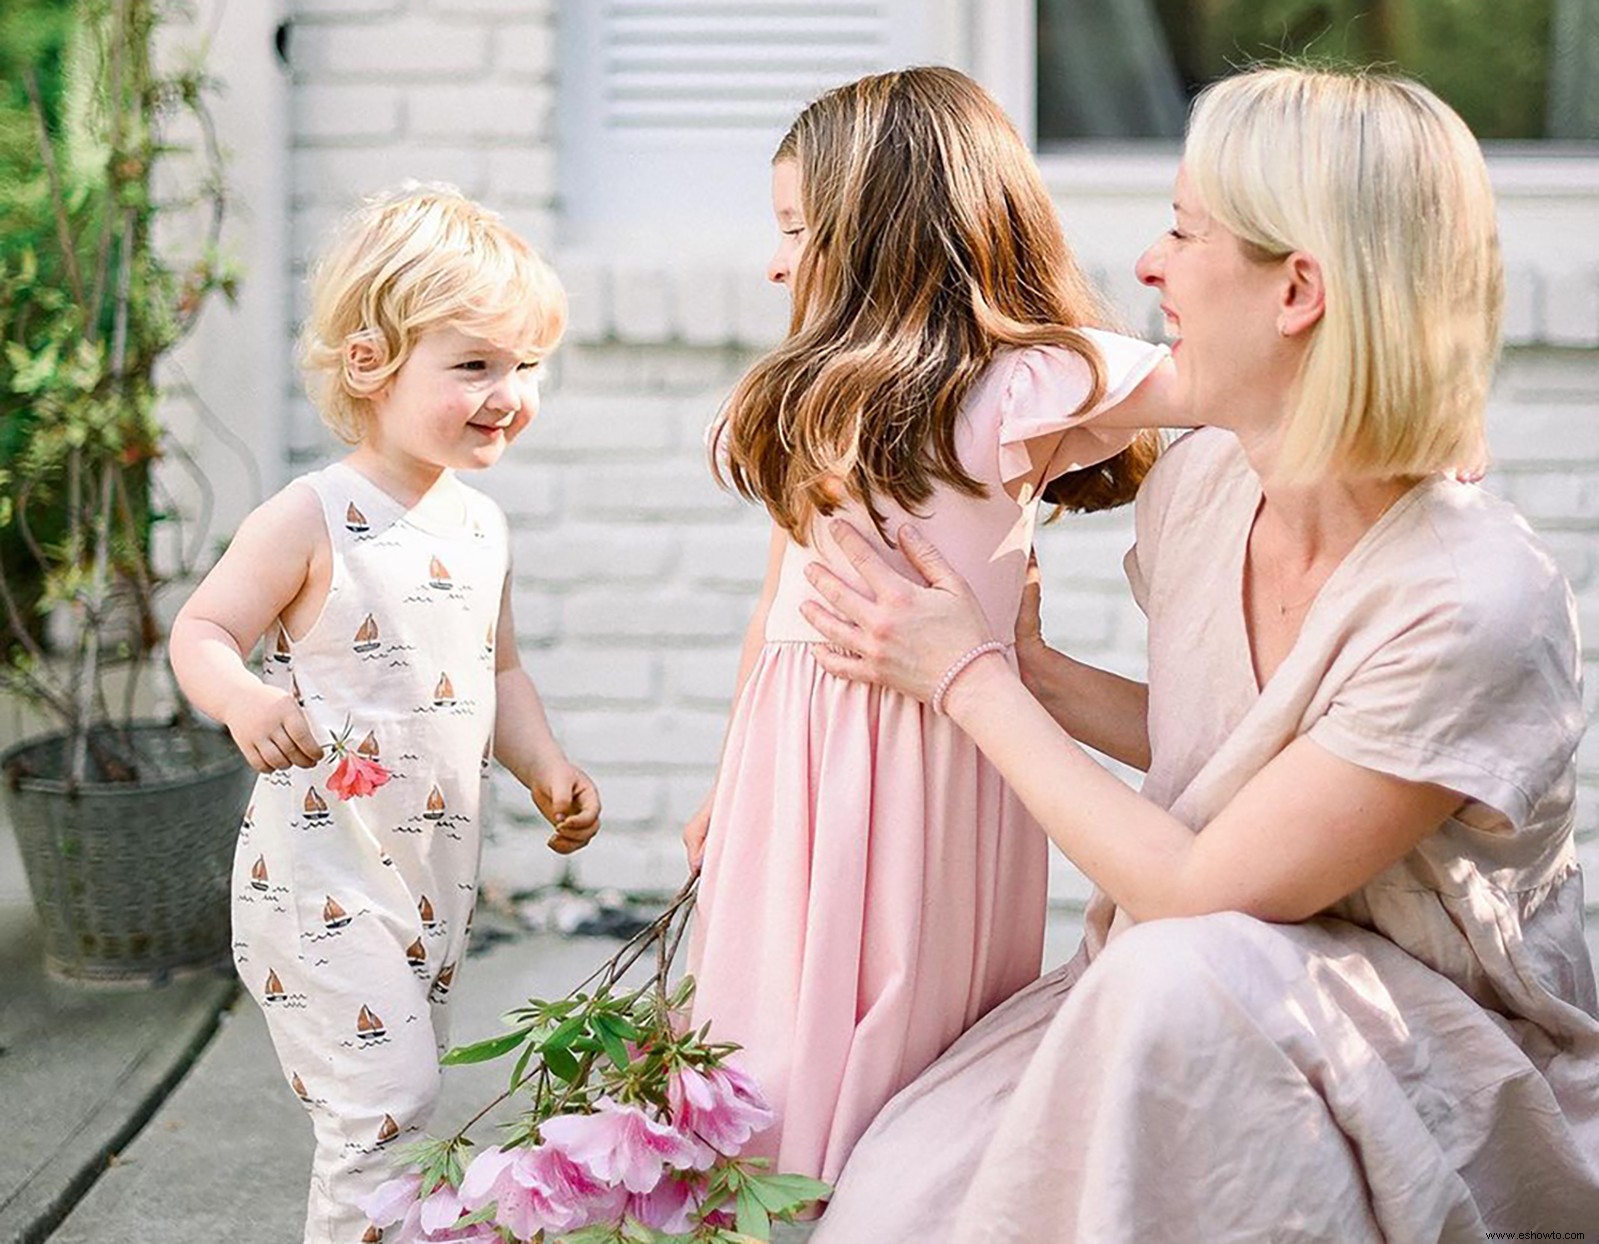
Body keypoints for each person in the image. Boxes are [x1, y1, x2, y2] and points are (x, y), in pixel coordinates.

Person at [799, 66, 1599, 1239]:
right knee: (894, 1195)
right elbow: (1235, 744)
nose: (1148, 266)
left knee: (1168, 991)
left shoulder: (1472, 604)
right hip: (1182, 980)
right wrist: (1036, 668)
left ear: (1299, 291)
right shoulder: (1208, 483)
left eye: (1184, 229)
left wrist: (966, 678)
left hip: (1417, 1049)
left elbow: (1192, 892)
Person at [683, 66, 1177, 1185]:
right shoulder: (815, 392)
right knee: (763, 1035)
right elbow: (778, 601)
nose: (775, 259)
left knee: (902, 1026)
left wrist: (1405, 433)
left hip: (929, 761)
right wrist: (730, 775)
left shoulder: (1024, 384)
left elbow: (1221, 381)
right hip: (793, 762)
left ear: (884, 234)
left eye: (799, 229)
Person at [168, 185, 601, 1244]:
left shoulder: (483, 524)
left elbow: (500, 672)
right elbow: (201, 629)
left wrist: (544, 763)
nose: (509, 392)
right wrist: (245, 698)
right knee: (384, 1106)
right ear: (370, 364)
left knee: (398, 1116)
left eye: (525, 366)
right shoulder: (312, 515)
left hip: (426, 883)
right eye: (475, 365)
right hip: (317, 882)